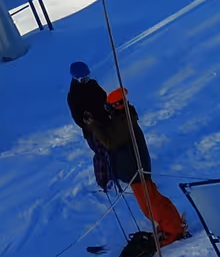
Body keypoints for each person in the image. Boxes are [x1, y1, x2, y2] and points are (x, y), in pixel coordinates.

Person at [90, 87, 189, 246]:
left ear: (115, 106)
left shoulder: (124, 121)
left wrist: (94, 126)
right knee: (153, 200)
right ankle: (173, 224)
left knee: (150, 206)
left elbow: (110, 142)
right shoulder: (122, 117)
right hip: (134, 168)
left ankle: (173, 230)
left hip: (135, 169)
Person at [67, 61, 113, 191]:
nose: (86, 81)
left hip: (105, 122)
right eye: (83, 79)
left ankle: (114, 174)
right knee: (101, 153)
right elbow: (76, 117)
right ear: (75, 79)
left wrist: (108, 108)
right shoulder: (73, 95)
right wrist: (87, 123)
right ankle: (103, 181)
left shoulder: (93, 84)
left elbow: (103, 98)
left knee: (111, 149)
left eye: (87, 77)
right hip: (91, 130)